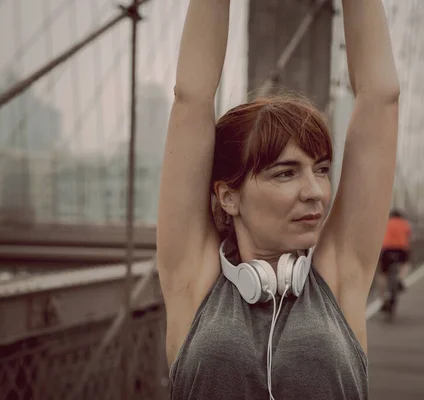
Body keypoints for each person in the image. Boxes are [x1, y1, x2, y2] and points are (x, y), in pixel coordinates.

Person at [156, 1, 399, 399]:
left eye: (320, 169)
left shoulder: (340, 275)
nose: (316, 191)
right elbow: (192, 96)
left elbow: (381, 98)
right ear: (229, 196)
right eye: (285, 173)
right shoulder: (193, 280)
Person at [376, 209, 412, 313]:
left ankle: (382, 299)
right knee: (406, 263)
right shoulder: (405, 223)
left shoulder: (385, 223)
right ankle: (400, 278)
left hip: (386, 250)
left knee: (382, 274)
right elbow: (409, 237)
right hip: (401, 249)